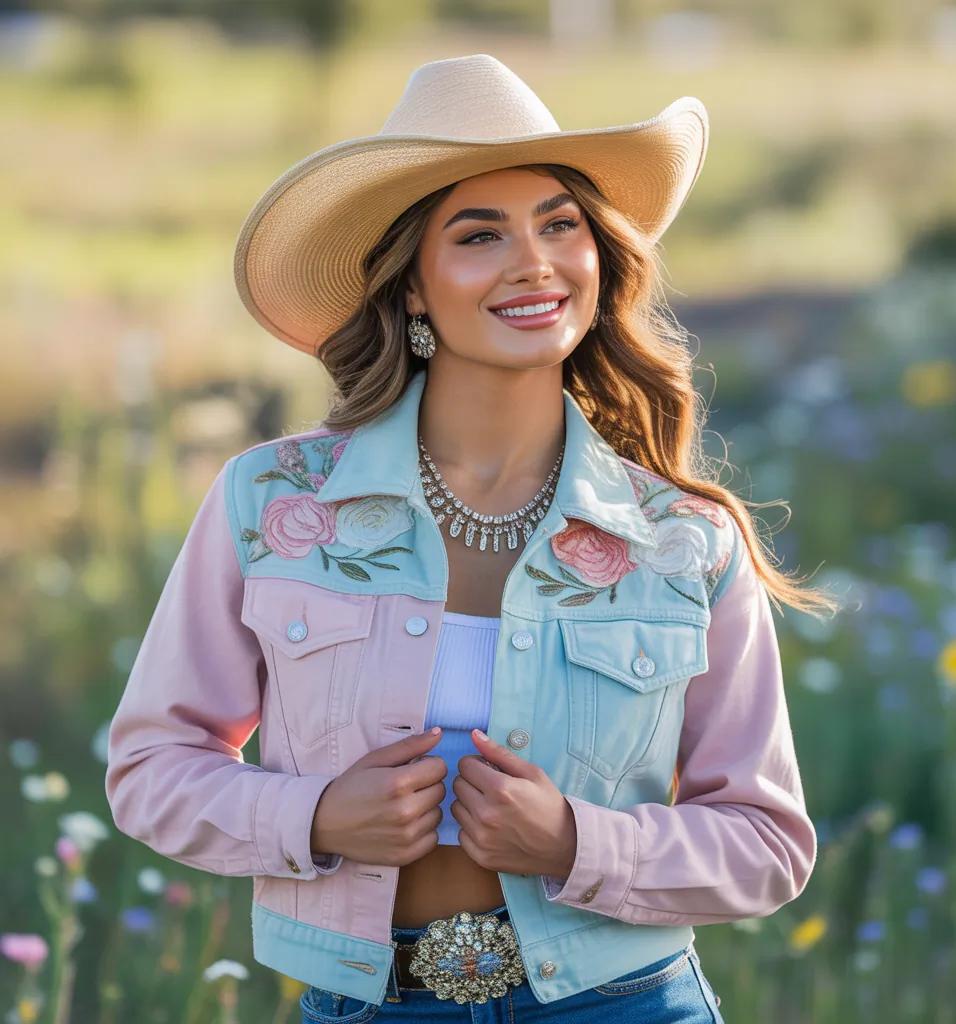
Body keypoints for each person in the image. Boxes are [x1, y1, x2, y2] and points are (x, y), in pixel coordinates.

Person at [105, 54, 836, 1023]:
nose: (533, 261)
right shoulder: (272, 504)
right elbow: (150, 766)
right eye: (478, 233)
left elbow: (767, 841)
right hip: (369, 1004)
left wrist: (579, 842)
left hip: (625, 1003)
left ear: (595, 257)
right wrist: (312, 815)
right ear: (411, 287)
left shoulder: (682, 540)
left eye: (559, 224)